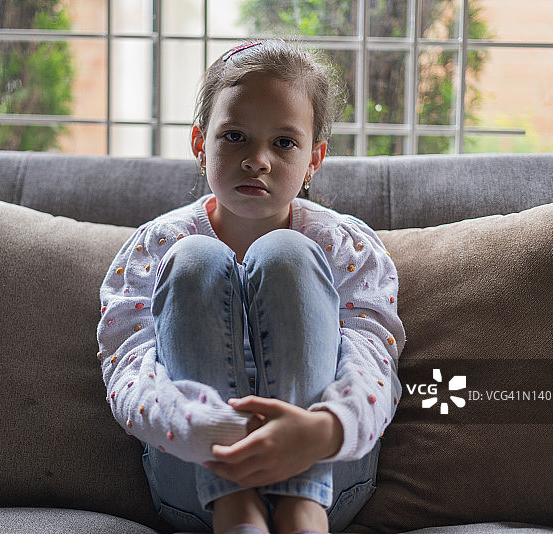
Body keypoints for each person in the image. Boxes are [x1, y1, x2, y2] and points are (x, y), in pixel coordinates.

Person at [97, 39, 404, 534]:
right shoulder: (156, 247)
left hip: (328, 467)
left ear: (314, 159)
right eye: (235, 136)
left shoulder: (343, 245)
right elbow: (129, 369)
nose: (257, 159)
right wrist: (214, 432)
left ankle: (300, 502)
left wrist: (324, 430)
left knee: (287, 252)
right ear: (200, 145)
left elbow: (374, 359)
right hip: (194, 472)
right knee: (195, 257)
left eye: (283, 143)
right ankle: (234, 506)